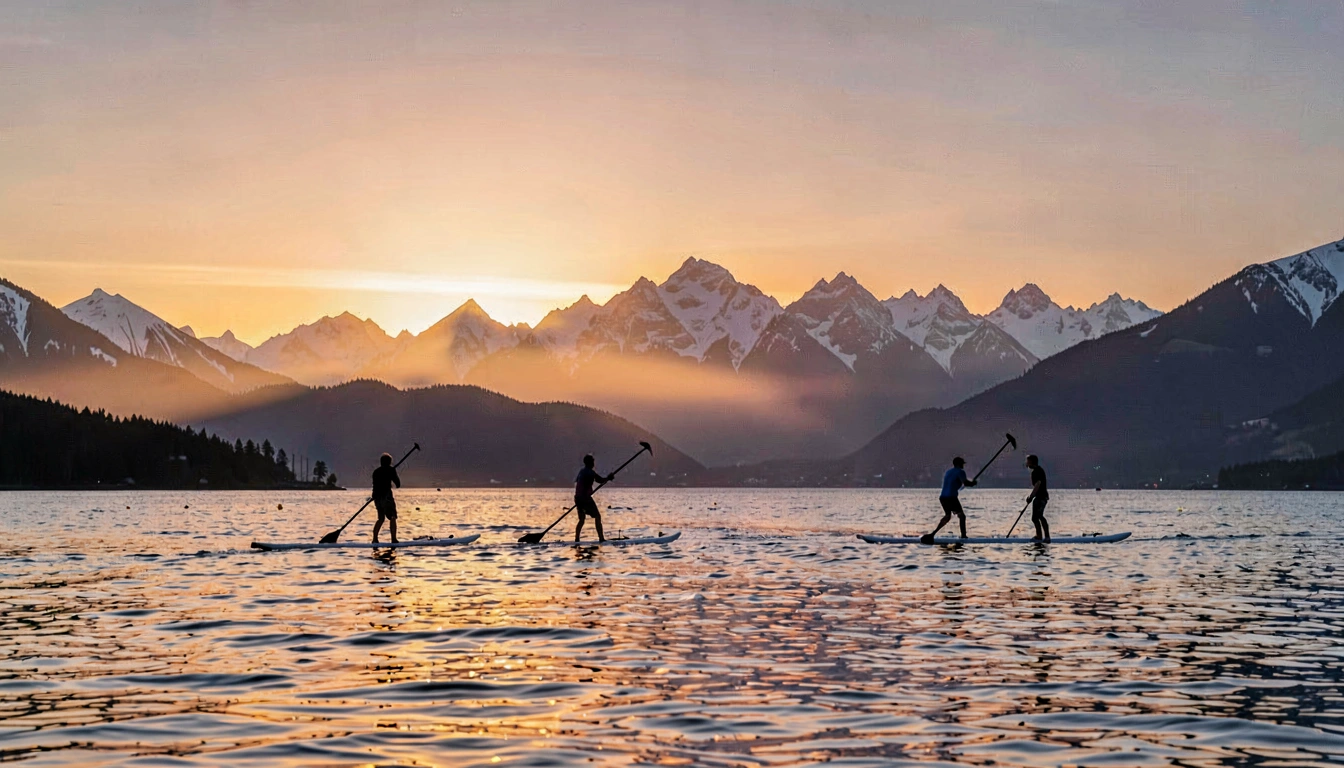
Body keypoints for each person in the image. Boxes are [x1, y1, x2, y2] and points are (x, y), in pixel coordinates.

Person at [924, 456, 977, 542]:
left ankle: (933, 534)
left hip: (943, 497)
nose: (963, 465)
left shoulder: (948, 472)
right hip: (951, 497)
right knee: (962, 516)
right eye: (962, 463)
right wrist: (973, 483)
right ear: (959, 464)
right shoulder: (960, 471)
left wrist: (970, 483)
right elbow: (966, 483)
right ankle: (963, 536)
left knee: (947, 516)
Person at [574, 454, 614, 543]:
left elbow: (580, 483)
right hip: (585, 499)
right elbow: (599, 480)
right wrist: (608, 478)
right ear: (589, 463)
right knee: (598, 516)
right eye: (592, 462)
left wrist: (607, 479)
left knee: (581, 520)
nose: (593, 464)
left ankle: (577, 539)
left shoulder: (581, 471)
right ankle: (601, 539)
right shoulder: (589, 472)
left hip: (578, 498)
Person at [371, 452, 401, 544]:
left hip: (377, 498)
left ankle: (375, 539)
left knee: (381, 519)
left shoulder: (376, 472)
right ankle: (393, 539)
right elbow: (398, 484)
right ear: (389, 462)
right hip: (387, 498)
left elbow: (375, 486)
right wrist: (393, 473)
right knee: (392, 517)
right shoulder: (391, 470)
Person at [1025, 454, 1050, 543]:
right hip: (1039, 497)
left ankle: (1043, 537)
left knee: (1038, 516)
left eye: (1028, 461)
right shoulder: (1037, 471)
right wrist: (1032, 497)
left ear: (1032, 462)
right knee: (1035, 517)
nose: (1026, 463)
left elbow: (1037, 484)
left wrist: (1031, 497)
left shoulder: (1037, 472)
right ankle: (1040, 536)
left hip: (1041, 497)